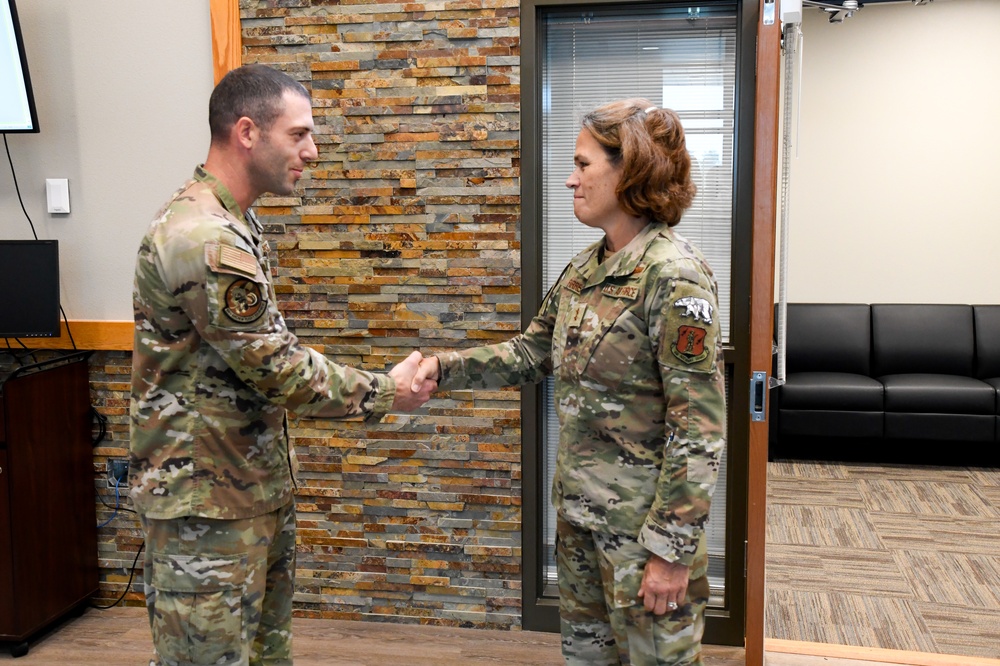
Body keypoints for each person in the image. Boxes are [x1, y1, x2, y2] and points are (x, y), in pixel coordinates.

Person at [129, 64, 436, 666]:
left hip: (245, 490)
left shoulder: (237, 224)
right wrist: (385, 392)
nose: (312, 151)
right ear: (247, 132)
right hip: (205, 509)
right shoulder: (203, 239)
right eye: (299, 135)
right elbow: (279, 368)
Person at [412, 99, 727, 665]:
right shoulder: (586, 269)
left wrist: (672, 552)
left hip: (642, 539)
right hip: (581, 522)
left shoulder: (674, 277)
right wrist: (445, 365)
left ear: (629, 169)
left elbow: (699, 428)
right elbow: (532, 353)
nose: (570, 179)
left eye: (583, 165)